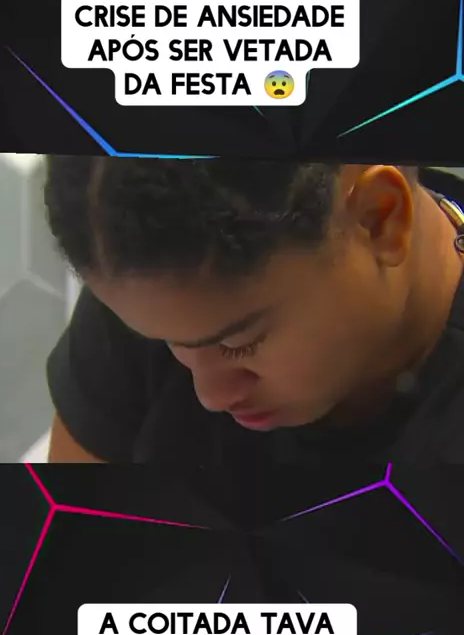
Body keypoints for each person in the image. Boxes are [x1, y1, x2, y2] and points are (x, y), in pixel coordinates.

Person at [44, 158, 464, 468]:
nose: (211, 396)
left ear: (378, 220)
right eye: (167, 343)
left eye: (239, 343)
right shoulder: (156, 275)